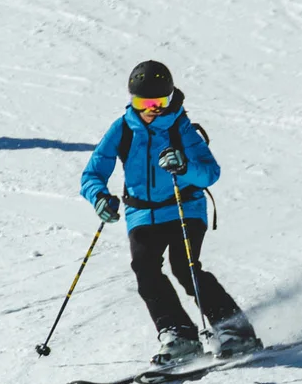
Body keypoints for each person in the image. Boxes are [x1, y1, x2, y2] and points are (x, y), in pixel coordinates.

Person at [80, 60, 261, 365]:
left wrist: (184, 166)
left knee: (185, 267)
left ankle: (234, 329)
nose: (150, 109)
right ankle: (179, 333)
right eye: (142, 102)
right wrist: (98, 197)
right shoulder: (123, 128)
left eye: (158, 102)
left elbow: (210, 173)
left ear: (170, 97)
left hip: (184, 208)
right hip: (142, 213)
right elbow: (92, 172)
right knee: (145, 270)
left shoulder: (181, 128)